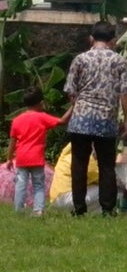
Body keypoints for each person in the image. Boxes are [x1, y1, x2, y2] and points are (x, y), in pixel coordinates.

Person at [64, 21, 127, 216]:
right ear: (113, 41)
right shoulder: (119, 61)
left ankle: (79, 209)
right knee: (106, 165)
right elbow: (126, 93)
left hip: (81, 119)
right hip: (106, 119)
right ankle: (108, 208)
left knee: (79, 164)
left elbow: (71, 91)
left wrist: (80, 105)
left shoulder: (80, 59)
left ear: (91, 39)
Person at [6, 86, 72, 216]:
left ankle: (19, 210)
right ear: (39, 103)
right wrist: (73, 106)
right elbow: (62, 121)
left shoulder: (17, 120)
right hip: (36, 158)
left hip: (21, 158)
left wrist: (9, 159)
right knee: (38, 185)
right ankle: (38, 210)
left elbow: (12, 143)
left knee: (20, 185)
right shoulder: (42, 117)